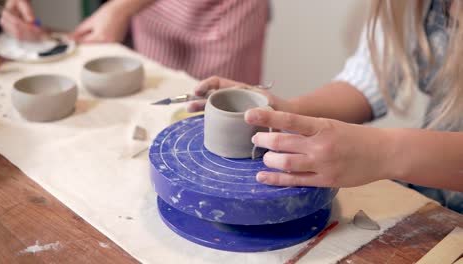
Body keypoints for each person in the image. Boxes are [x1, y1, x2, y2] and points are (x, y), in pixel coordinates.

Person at [187, 0, 463, 213]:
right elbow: (369, 78)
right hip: (432, 189)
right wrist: (287, 110)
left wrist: (382, 152)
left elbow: (384, 152)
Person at [0, 0, 269, 84]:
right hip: (150, 9)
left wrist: (121, 8)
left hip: (219, 12)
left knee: (213, 107)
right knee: (158, 92)